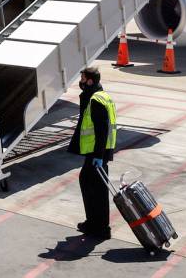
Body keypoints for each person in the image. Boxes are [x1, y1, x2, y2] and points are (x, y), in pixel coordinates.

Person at [67, 66, 117, 240]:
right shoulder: (101, 96)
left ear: (89, 81)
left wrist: (98, 156)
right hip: (98, 152)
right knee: (95, 187)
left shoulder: (96, 100)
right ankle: (96, 224)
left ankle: (99, 226)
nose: (80, 81)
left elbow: (102, 130)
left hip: (96, 152)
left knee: (92, 187)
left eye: (82, 78)